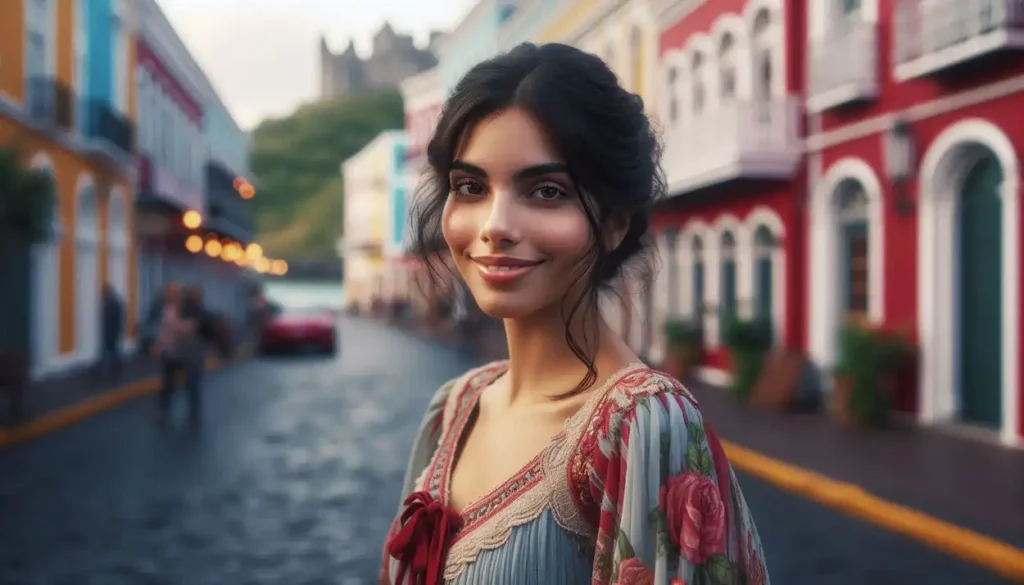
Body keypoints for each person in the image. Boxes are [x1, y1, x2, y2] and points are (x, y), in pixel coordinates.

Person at [379, 43, 769, 585]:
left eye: (545, 191)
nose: (495, 224)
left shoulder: (640, 425)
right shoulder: (454, 406)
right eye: (470, 187)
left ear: (613, 223)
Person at [96, 283, 125, 383]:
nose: (102, 294)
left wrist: (113, 331)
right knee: (113, 352)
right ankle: (114, 372)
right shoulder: (115, 302)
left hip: (110, 332)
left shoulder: (110, 303)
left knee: (110, 353)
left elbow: (113, 319)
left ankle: (109, 373)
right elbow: (120, 318)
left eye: (104, 292)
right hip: (112, 332)